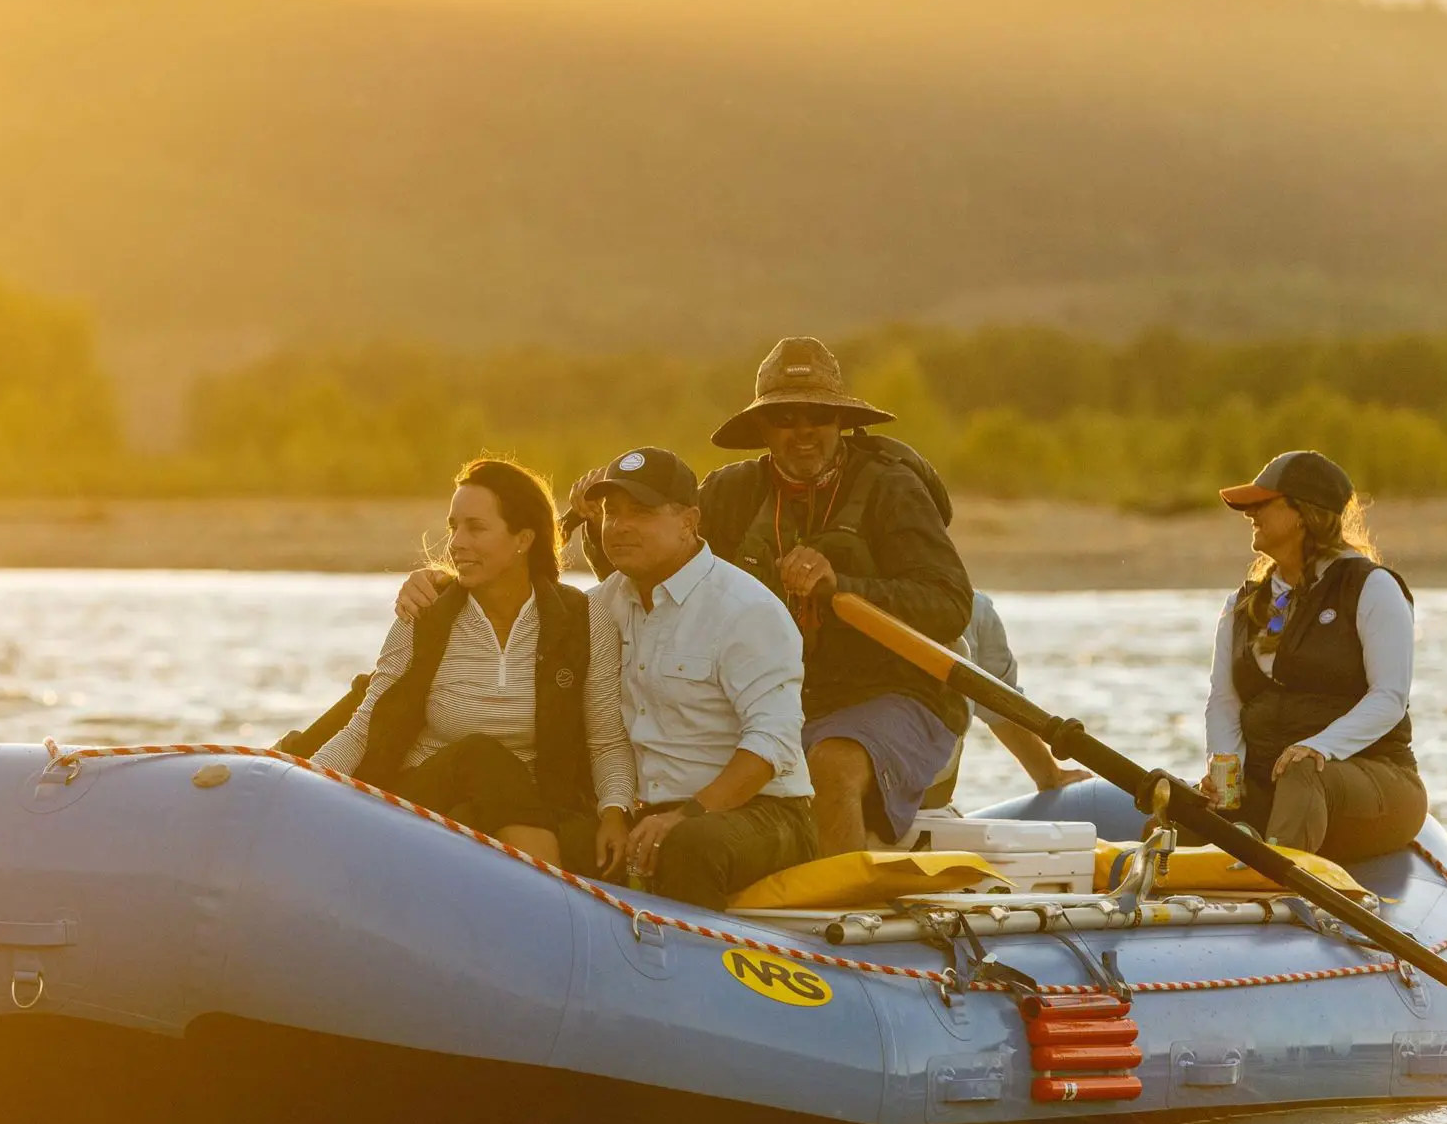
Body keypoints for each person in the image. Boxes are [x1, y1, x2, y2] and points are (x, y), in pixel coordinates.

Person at [401, 339, 974, 861]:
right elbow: (657, 571)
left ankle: (842, 931)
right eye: (783, 417)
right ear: (763, 428)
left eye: (818, 416)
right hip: (784, 692)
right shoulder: (729, 492)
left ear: (841, 422)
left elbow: (951, 603)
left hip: (891, 691)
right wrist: (453, 583)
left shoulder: (891, 488)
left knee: (828, 763)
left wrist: (842, 587)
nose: (802, 432)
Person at [313, 457, 635, 869]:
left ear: (523, 539)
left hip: (533, 804)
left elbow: (606, 741)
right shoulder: (425, 614)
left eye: (475, 528)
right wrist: (308, 789)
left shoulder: (584, 620)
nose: (456, 543)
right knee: (480, 757)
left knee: (576, 837)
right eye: (454, 527)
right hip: (423, 798)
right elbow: (364, 729)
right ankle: (547, 900)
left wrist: (615, 812)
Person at [580, 446, 816, 909]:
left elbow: (774, 740)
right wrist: (442, 585)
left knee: (690, 844)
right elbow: (527, 614)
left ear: (689, 521)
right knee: (569, 833)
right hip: (647, 810)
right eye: (612, 512)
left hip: (765, 811)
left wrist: (689, 814)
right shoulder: (600, 604)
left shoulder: (745, 608)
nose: (620, 526)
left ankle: (691, 974)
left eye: (641, 512)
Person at [1206, 450, 1428, 860]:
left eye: (1263, 504)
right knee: (1182, 809)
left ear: (1303, 514)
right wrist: (1227, 774)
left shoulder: (1373, 587)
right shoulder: (1241, 604)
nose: (1250, 514)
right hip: (1277, 786)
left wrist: (1318, 748)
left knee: (1302, 772)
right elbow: (1223, 701)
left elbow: (1390, 698)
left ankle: (1278, 895)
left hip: (1376, 783)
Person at [920, 590, 1094, 809]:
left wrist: (1051, 777)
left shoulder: (974, 610)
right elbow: (1003, 712)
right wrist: (1050, 776)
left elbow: (1003, 710)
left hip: (923, 816)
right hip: (916, 809)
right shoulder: (973, 607)